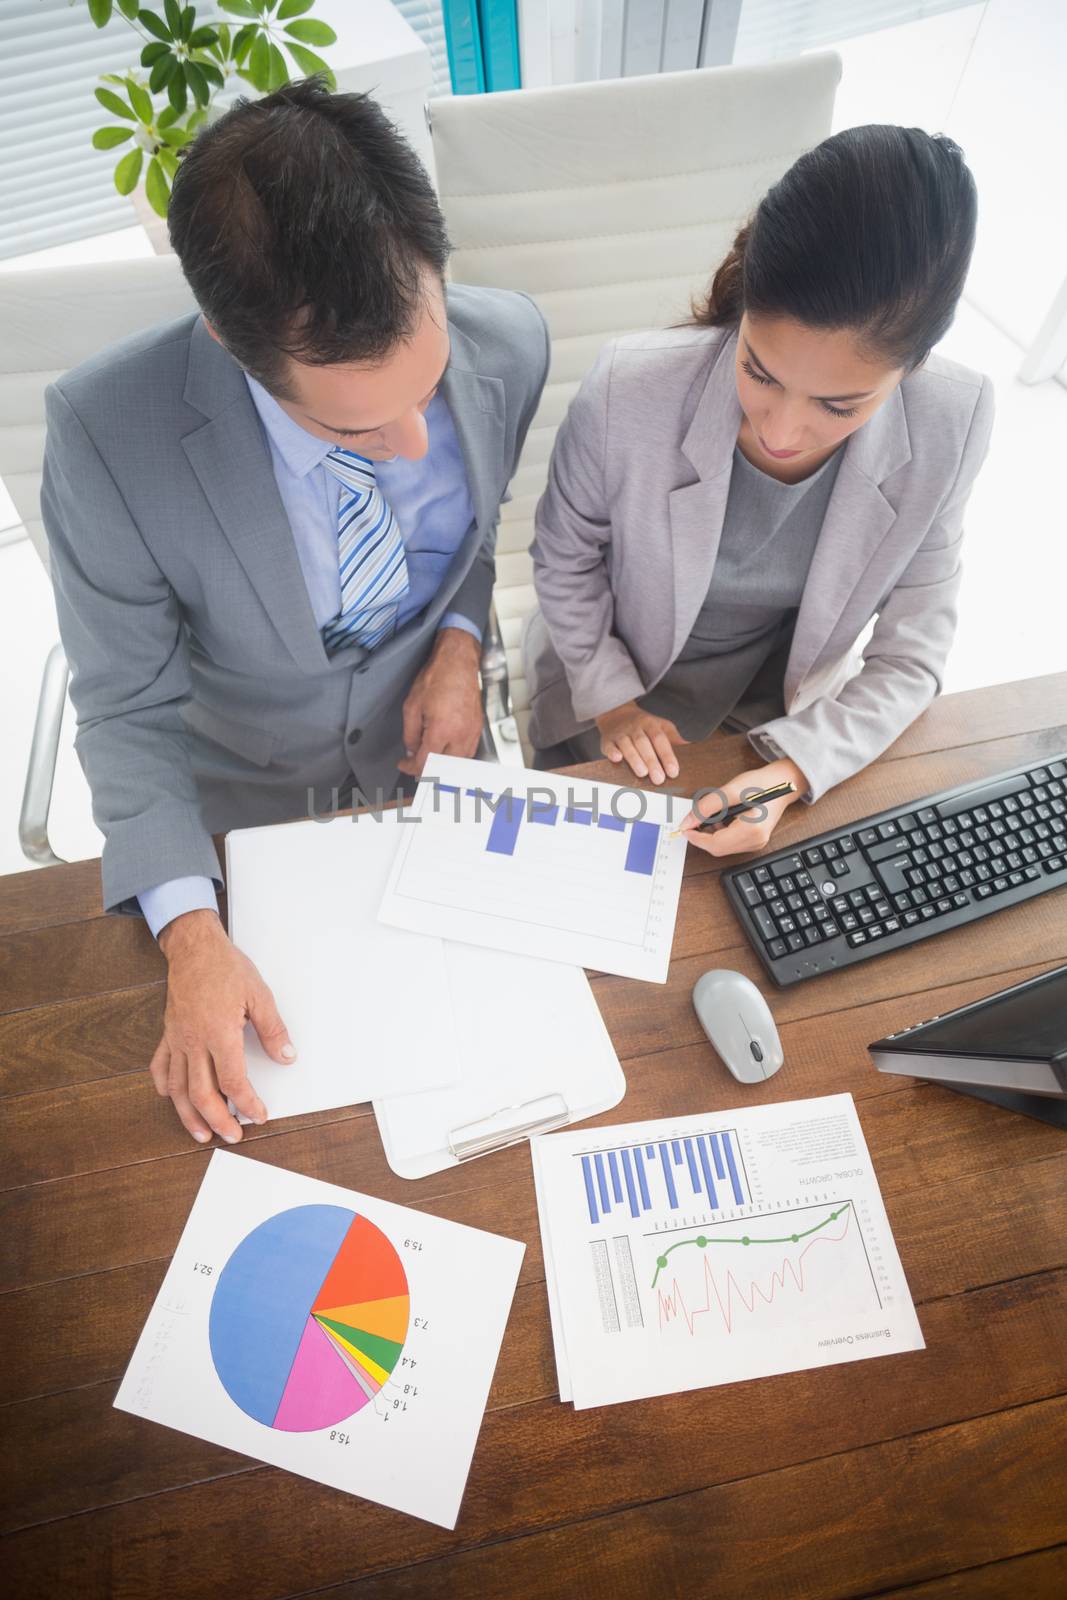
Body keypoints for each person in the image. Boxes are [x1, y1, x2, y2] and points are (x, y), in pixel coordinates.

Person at [40, 80, 549, 1145]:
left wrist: (459, 641)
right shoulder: (105, 438)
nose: (413, 444)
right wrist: (189, 934)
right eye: (359, 430)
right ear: (233, 346)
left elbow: (474, 516)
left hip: (429, 782)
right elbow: (127, 709)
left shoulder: (508, 342)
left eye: (426, 386)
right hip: (243, 812)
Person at [523, 124, 993, 856]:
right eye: (759, 372)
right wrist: (614, 704)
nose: (780, 430)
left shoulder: (950, 421)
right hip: (603, 696)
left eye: (839, 406)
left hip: (769, 726)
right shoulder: (629, 390)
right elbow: (562, 557)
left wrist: (786, 774)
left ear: (913, 367)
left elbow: (911, 657)